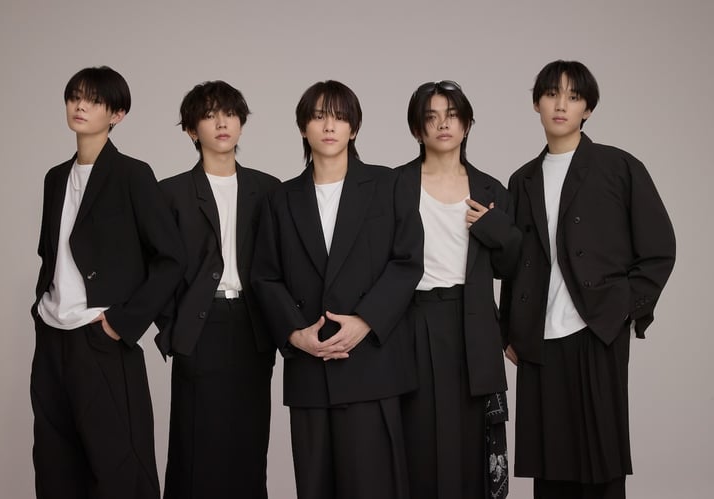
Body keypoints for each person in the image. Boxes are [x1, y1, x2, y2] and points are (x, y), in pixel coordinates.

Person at [500, 60, 676, 499]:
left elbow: (659, 248)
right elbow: (517, 262)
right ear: (537, 104)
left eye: (574, 97)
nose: (561, 105)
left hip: (596, 330)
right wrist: (509, 331)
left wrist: (622, 311)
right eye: (552, 94)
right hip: (539, 339)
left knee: (601, 460)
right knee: (549, 464)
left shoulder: (618, 167)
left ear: (588, 110)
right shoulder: (522, 180)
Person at [251, 80, 424, 499]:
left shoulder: (388, 184)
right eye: (318, 117)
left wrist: (366, 321)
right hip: (309, 370)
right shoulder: (280, 198)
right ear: (303, 128)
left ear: (354, 128)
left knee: (374, 487)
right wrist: (296, 334)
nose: (329, 126)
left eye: (340, 117)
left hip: (372, 366)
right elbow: (265, 276)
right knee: (315, 487)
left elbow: (407, 261)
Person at [30, 66, 186, 499]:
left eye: (94, 100)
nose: (80, 106)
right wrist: (42, 308)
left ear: (117, 114)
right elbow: (50, 253)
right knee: (55, 462)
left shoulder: (132, 174)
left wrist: (122, 322)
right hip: (52, 338)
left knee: (119, 464)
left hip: (100, 337)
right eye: (74, 97)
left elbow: (171, 258)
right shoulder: (55, 178)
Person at [396, 80, 520, 499]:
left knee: (471, 444)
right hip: (411, 321)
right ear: (417, 129)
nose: (442, 125)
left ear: (466, 124)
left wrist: (495, 228)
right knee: (415, 438)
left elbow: (510, 267)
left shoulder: (491, 190)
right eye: (431, 118)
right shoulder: (394, 186)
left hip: (474, 323)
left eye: (451, 116)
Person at [155, 80, 279, 499]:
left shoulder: (269, 189)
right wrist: (174, 326)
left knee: (249, 444)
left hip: (253, 326)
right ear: (192, 130)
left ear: (241, 122)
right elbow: (155, 269)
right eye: (209, 116)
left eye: (229, 113)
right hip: (198, 326)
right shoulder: (170, 193)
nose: (221, 123)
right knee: (196, 445)